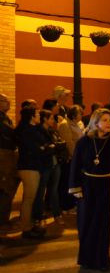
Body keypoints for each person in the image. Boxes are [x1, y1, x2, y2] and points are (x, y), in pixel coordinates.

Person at [68, 109, 110, 271]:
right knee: (87, 223)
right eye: (105, 120)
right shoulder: (84, 142)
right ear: (95, 122)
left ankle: (102, 258)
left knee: (104, 223)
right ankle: (86, 258)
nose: (109, 123)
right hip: (88, 187)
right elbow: (75, 165)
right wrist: (76, 187)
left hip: (108, 187)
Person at [15, 106, 48, 239]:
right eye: (37, 115)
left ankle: (29, 225)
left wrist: (43, 147)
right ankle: (26, 229)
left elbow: (44, 143)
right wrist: (43, 148)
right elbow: (35, 148)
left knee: (30, 198)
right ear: (31, 117)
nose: (39, 117)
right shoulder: (26, 131)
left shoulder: (33, 129)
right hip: (29, 167)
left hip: (33, 166)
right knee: (28, 199)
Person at [32, 109, 65, 227]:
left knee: (54, 190)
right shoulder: (37, 131)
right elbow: (43, 148)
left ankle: (57, 214)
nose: (53, 120)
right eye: (51, 118)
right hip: (44, 164)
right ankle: (38, 216)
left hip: (55, 162)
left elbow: (57, 144)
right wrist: (52, 147)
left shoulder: (52, 131)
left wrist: (55, 146)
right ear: (45, 119)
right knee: (41, 190)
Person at [0, 94, 19, 232]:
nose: (9, 103)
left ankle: (4, 218)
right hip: (3, 155)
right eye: (6, 101)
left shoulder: (5, 118)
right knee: (5, 188)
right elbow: (10, 133)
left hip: (9, 154)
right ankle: (2, 221)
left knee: (8, 187)